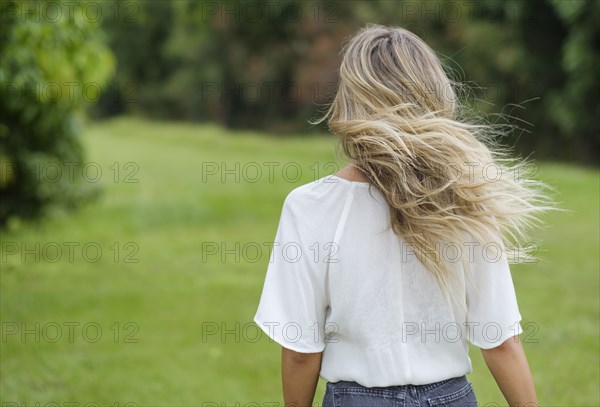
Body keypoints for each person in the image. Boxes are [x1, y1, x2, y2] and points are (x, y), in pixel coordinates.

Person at [254, 24, 552, 407]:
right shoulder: (467, 198)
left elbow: (300, 350)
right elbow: (501, 340)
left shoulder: (310, 205)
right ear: (434, 96)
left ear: (350, 101)